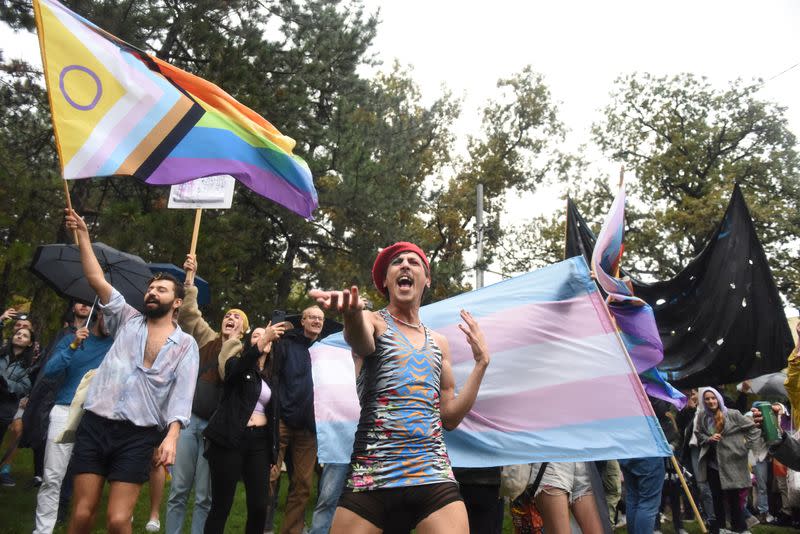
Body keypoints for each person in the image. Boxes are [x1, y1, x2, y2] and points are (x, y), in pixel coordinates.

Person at [310, 241, 491, 534]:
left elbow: (450, 418)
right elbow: (360, 340)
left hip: (432, 476)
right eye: (397, 262)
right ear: (385, 280)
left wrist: (481, 363)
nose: (405, 265)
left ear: (426, 279)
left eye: (413, 262)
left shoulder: (439, 343)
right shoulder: (371, 321)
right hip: (371, 479)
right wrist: (352, 314)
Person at [63, 208, 199, 534]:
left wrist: (171, 436)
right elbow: (96, 279)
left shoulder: (185, 345)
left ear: (177, 302)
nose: (152, 292)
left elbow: (182, 397)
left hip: (138, 436)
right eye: (151, 289)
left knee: (118, 520)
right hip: (96, 424)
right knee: (82, 513)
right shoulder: (126, 318)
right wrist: (83, 236)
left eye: (162, 290)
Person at [163, 253, 249, 534]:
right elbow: (189, 314)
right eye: (228, 315)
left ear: (244, 330)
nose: (230, 318)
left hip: (215, 430)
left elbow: (227, 373)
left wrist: (233, 344)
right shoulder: (207, 338)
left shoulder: (243, 356)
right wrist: (190, 279)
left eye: (237, 318)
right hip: (189, 422)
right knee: (178, 490)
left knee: (204, 496)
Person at [32, 312, 112, 533]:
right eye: (109, 316)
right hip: (65, 410)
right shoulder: (73, 339)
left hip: (96, 416)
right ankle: (42, 530)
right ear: (100, 315)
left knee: (85, 480)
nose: (112, 322)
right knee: (52, 476)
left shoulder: (116, 346)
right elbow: (50, 370)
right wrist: (75, 344)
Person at [203, 323, 284, 534]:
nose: (263, 338)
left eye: (265, 336)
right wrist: (263, 339)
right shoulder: (236, 365)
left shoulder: (272, 377)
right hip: (230, 438)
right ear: (250, 343)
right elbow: (235, 371)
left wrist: (273, 453)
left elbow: (274, 418)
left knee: (259, 506)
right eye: (257, 336)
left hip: (259, 444)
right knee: (222, 505)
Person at [268, 305, 325, 534]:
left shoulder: (325, 349)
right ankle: (261, 526)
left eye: (320, 318)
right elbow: (273, 373)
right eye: (312, 317)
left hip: (309, 427)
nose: (316, 321)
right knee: (268, 477)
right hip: (282, 420)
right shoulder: (287, 344)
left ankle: (291, 530)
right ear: (302, 321)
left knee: (302, 485)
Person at [694, 387, 759, 534]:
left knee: (734, 498)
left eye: (713, 398)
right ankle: (721, 528)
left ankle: (740, 528)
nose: (711, 401)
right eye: (707, 399)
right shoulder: (703, 416)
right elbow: (698, 434)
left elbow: (753, 429)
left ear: (718, 398)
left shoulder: (733, 414)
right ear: (703, 401)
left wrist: (746, 447)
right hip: (712, 464)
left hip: (733, 462)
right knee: (716, 497)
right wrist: (708, 439)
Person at [0, 325, 36, 486]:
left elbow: (25, 386)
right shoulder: (1, 355)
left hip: (5, 408)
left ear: (30, 343)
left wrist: (6, 384)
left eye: (25, 335)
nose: (20, 336)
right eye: (18, 333)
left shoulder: (27, 366)